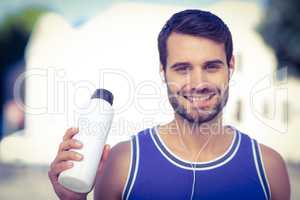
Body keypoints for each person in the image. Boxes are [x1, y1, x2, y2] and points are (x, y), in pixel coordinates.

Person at [48, 9, 290, 200]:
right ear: (163, 72)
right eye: (182, 68)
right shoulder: (122, 162)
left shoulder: (269, 169)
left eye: (211, 66)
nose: (198, 83)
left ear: (231, 67)